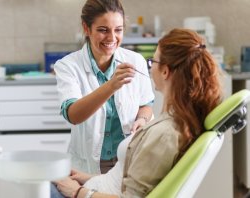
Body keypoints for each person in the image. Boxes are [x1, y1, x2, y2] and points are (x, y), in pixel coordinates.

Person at [52, 28, 223, 198]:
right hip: (95, 183)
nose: (149, 67)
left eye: (153, 62)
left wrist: (76, 192)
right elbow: (129, 180)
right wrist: (87, 178)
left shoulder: (164, 135)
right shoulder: (174, 122)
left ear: (165, 71)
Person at [54, 0, 154, 175]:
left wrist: (142, 120)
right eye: (103, 30)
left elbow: (146, 105)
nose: (112, 38)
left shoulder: (135, 60)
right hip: (89, 165)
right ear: (86, 28)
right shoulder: (68, 66)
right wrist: (111, 85)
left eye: (118, 30)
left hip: (129, 160)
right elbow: (73, 115)